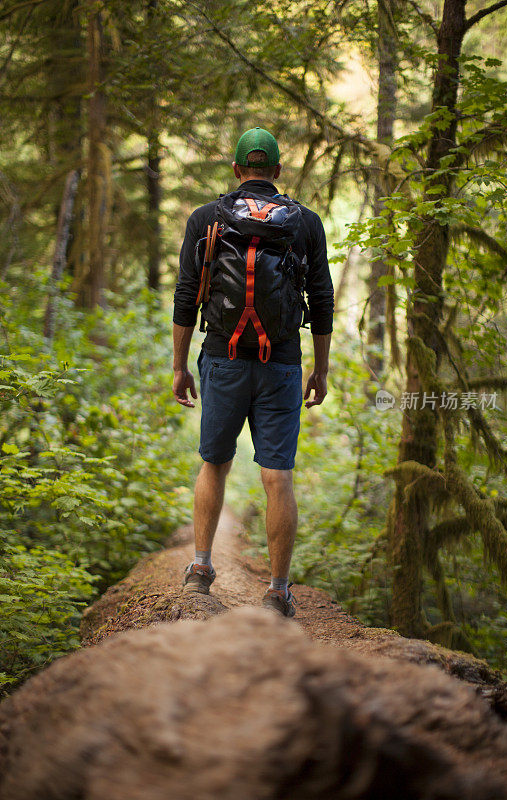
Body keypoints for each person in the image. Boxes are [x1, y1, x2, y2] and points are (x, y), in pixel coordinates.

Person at [172, 127, 334, 617]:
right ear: (278, 173)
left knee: (214, 464)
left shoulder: (207, 218)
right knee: (277, 476)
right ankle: (278, 592)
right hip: (282, 361)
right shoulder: (305, 222)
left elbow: (186, 295)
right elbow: (321, 301)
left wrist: (179, 366)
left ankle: (201, 568)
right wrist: (320, 370)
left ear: (238, 170)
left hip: (223, 356)